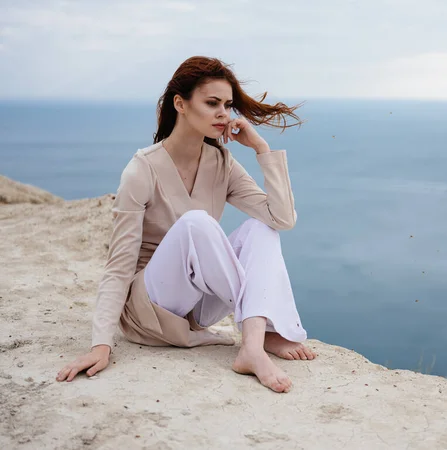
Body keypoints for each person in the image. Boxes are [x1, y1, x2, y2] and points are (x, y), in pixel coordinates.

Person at [56, 56, 316, 393]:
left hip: (196, 308)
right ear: (180, 104)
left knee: (260, 229)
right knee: (197, 223)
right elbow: (118, 266)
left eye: (227, 105)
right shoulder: (142, 169)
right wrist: (100, 346)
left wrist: (261, 149)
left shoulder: (222, 162)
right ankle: (262, 331)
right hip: (149, 307)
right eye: (212, 103)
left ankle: (252, 344)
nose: (224, 114)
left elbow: (281, 219)